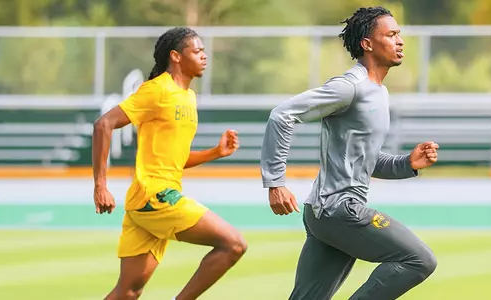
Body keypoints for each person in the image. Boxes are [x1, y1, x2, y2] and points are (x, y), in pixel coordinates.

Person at [259, 6, 440, 300]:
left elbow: (366, 160)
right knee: (419, 260)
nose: (400, 40)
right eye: (391, 34)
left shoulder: (379, 92)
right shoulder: (349, 87)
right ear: (367, 44)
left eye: (399, 34)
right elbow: (282, 115)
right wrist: (275, 182)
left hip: (325, 213)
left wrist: (407, 163)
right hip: (339, 210)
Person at [92, 27, 248, 300]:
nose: (204, 56)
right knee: (233, 244)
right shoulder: (157, 90)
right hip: (155, 196)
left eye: (204, 51)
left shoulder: (188, 96)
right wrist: (100, 186)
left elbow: (176, 159)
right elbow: (103, 124)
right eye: (197, 51)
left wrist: (215, 152)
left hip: (147, 201)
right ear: (176, 56)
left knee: (128, 292)